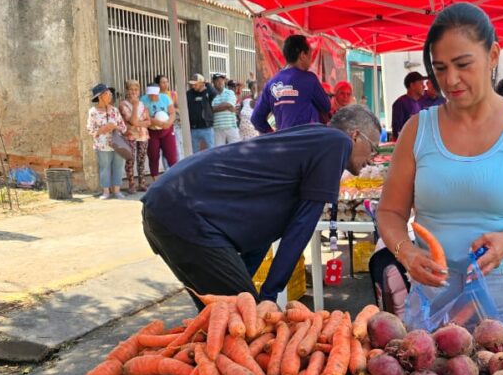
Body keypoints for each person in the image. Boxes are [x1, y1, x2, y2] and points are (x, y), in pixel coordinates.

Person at [376, 2, 503, 342]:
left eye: (463, 64)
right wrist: (406, 253)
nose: (450, 80)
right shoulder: (416, 130)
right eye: (439, 68)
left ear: (493, 55)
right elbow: (391, 211)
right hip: (434, 300)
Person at [142, 105, 381, 310]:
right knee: (243, 319)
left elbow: (264, 235)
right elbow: (302, 226)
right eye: (373, 148)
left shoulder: (314, 140)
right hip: (183, 210)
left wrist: (252, 287)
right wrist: (268, 295)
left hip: (167, 205)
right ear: (355, 135)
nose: (372, 158)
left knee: (222, 317)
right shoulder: (336, 142)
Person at [251, 35, 332, 133]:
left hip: (283, 144)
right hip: (307, 143)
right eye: (310, 54)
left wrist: (273, 134)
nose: (311, 60)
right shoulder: (309, 79)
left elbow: (256, 119)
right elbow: (326, 106)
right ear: (302, 55)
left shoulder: (271, 83)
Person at [86, 83, 128, 200]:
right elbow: (90, 130)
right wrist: (104, 129)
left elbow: (123, 128)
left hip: (117, 144)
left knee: (118, 166)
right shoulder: (93, 112)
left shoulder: (114, 110)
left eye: (109, 93)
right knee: (104, 167)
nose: (109, 95)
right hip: (102, 145)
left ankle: (117, 191)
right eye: (106, 94)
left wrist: (115, 127)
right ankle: (106, 191)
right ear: (100, 96)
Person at [118, 79, 151, 193]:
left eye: (136, 89)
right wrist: (135, 106)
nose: (133, 92)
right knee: (130, 159)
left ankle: (142, 183)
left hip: (143, 135)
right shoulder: (123, 105)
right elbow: (132, 120)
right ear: (126, 90)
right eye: (131, 89)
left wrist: (137, 123)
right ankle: (131, 184)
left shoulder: (143, 104)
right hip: (130, 135)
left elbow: (148, 122)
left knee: (141, 159)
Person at [141, 84, 177, 179]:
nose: (152, 97)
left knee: (171, 154)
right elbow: (145, 116)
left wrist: (168, 123)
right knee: (153, 155)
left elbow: (172, 113)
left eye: (155, 94)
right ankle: (155, 178)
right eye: (150, 95)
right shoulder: (143, 100)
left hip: (167, 130)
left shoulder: (165, 98)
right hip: (152, 131)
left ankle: (175, 177)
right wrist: (156, 122)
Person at [185, 73, 216, 153]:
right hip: (193, 128)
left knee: (211, 150)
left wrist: (207, 84)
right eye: (192, 84)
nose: (193, 86)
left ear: (202, 83)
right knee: (195, 152)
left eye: (195, 84)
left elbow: (214, 94)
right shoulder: (189, 94)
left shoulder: (207, 92)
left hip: (207, 127)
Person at [391, 71, 426, 140]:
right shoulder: (400, 103)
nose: (424, 86)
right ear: (412, 85)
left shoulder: (423, 103)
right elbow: (397, 132)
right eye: (421, 83)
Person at [210, 73, 240, 146]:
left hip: (231, 127)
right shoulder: (210, 95)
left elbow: (229, 104)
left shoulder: (230, 93)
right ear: (213, 82)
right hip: (217, 128)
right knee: (218, 152)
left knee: (235, 150)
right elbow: (210, 109)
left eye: (221, 80)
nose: (220, 82)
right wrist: (227, 106)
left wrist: (215, 108)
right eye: (217, 80)